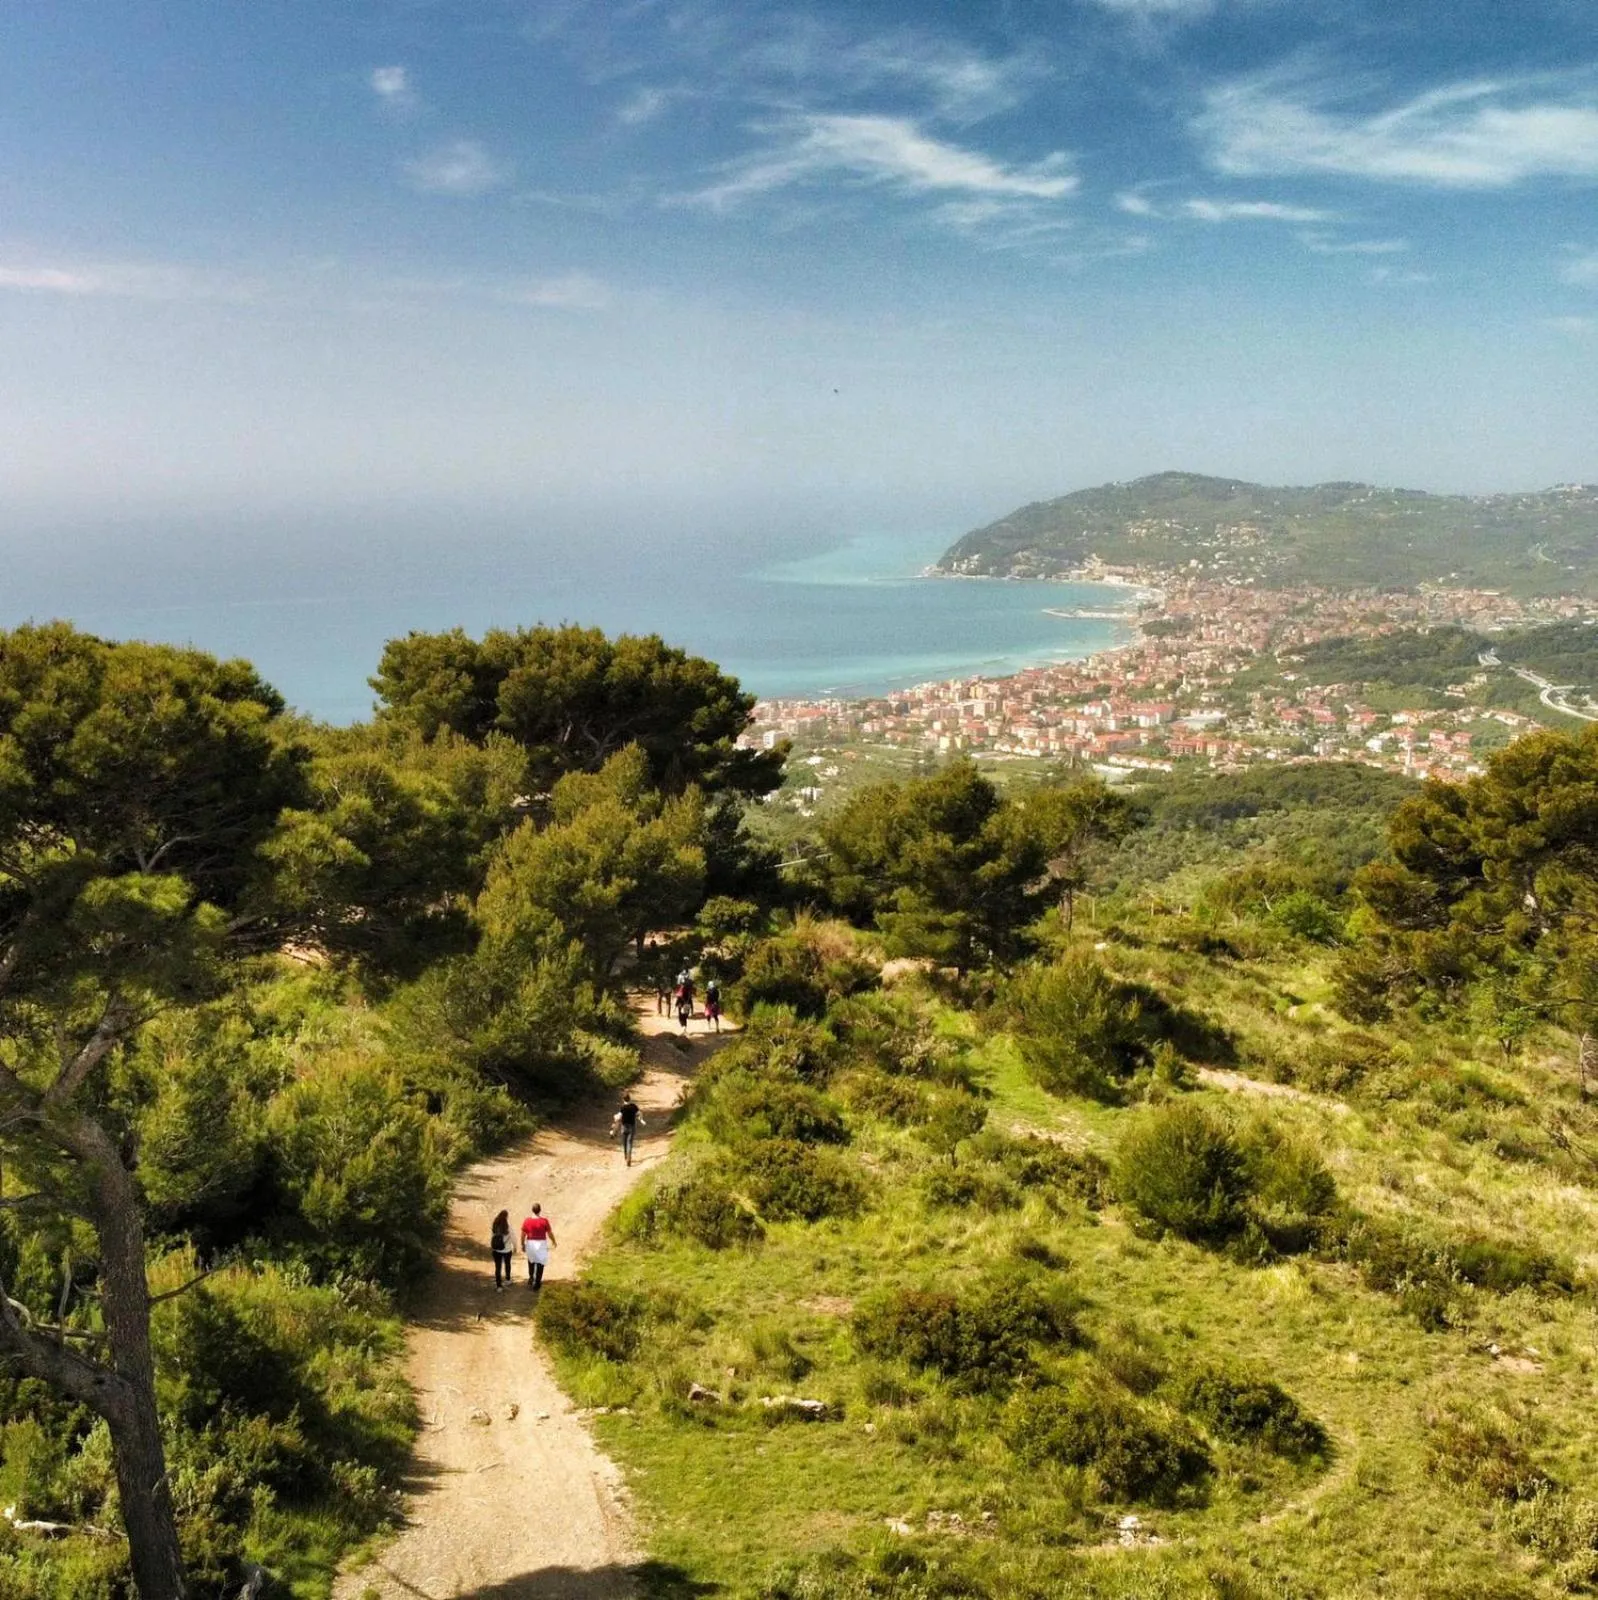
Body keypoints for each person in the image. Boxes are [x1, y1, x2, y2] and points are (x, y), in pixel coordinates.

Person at [521, 1205, 556, 1289]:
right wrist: (554, 1241)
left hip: (530, 1242)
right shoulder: (544, 1221)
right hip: (541, 1243)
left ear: (532, 1210)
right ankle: (537, 1282)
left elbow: (523, 1234)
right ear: (540, 1210)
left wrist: (522, 1244)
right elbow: (549, 1233)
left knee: (531, 1260)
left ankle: (531, 1278)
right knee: (541, 1262)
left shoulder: (527, 1221)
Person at [610, 1094, 645, 1166]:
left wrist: (615, 1118)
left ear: (623, 1099)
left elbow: (618, 1117)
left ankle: (626, 1157)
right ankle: (629, 1158)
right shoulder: (634, 1106)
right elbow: (639, 1113)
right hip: (632, 1127)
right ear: (630, 1099)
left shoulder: (622, 1108)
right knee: (630, 1143)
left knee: (624, 1143)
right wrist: (641, 1119)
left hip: (624, 1127)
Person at [491, 1209, 515, 1291]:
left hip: (496, 1250)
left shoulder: (494, 1226)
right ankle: (508, 1279)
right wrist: (515, 1247)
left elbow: (492, 1237)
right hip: (507, 1250)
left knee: (498, 1268)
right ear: (506, 1217)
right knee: (507, 1264)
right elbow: (513, 1238)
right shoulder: (508, 1227)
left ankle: (499, 1286)